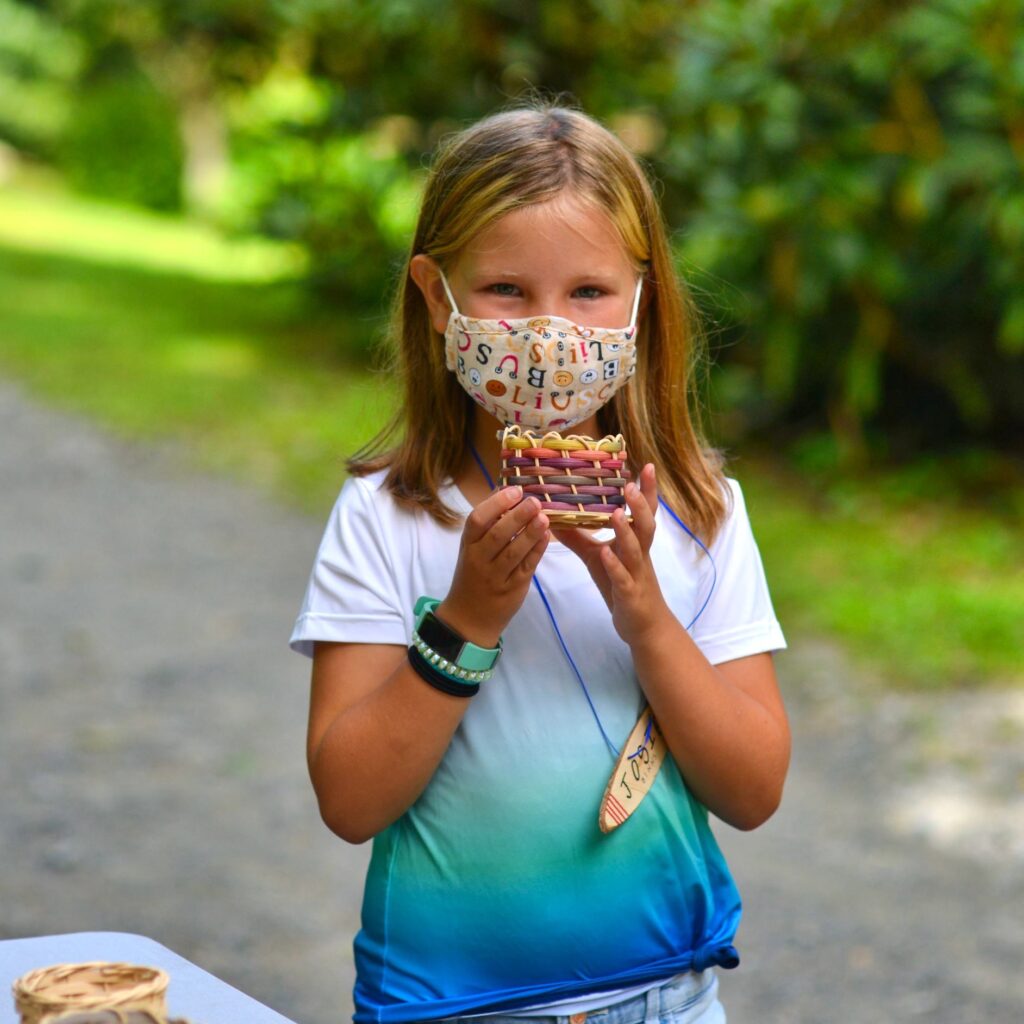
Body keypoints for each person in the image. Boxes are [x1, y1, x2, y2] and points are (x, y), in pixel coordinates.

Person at [290, 104, 790, 1024]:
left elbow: (753, 789)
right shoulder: (390, 517)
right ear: (437, 298)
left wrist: (645, 616)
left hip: (668, 998)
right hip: (452, 1003)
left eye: (589, 292)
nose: (549, 331)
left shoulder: (698, 513)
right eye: (507, 291)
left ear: (642, 301)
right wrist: (469, 618)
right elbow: (351, 799)